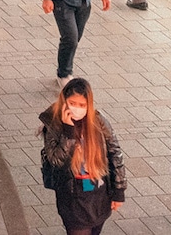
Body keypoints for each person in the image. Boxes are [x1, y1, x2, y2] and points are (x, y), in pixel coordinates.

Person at [39, 78, 126, 235]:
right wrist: (68, 132)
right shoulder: (54, 124)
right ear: (64, 101)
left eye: (82, 105)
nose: (77, 109)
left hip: (99, 197)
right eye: (72, 103)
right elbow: (56, 161)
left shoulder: (98, 122)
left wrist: (119, 191)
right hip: (73, 200)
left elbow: (115, 154)